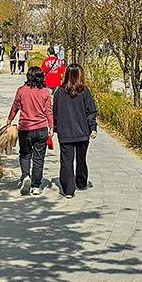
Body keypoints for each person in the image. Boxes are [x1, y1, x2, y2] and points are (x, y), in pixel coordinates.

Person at [52, 63, 98, 197]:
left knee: (66, 161)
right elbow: (91, 111)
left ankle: (68, 190)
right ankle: (81, 183)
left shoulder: (59, 92)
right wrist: (92, 128)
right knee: (81, 159)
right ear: (80, 75)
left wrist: (55, 127)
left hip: (65, 133)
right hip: (82, 133)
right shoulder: (84, 91)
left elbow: (55, 112)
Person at [6, 66, 53, 195]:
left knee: (25, 155)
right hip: (41, 129)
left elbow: (15, 106)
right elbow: (48, 111)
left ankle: (26, 176)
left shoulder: (21, 90)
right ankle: (36, 186)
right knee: (39, 158)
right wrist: (51, 127)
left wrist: (9, 119)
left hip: (25, 129)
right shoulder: (45, 92)